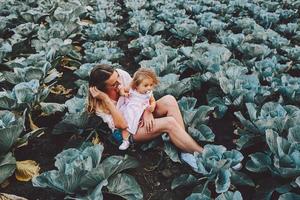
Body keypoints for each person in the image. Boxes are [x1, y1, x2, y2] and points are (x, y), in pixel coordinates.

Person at [88, 64, 204, 169]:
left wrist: (147, 112)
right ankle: (204, 154)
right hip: (129, 131)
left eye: (117, 76)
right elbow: (122, 125)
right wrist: (107, 100)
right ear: (102, 89)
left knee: (169, 100)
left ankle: (184, 149)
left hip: (139, 111)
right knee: (169, 123)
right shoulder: (100, 105)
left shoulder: (120, 75)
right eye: (113, 84)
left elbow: (139, 94)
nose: (119, 81)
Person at [116, 67, 159, 150]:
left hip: (142, 109)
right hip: (131, 109)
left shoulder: (149, 93)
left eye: (151, 85)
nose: (149, 88)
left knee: (140, 123)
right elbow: (122, 89)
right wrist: (123, 94)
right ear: (136, 85)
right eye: (145, 85)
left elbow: (153, 101)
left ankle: (144, 135)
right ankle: (126, 140)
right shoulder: (132, 90)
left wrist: (152, 107)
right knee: (127, 123)